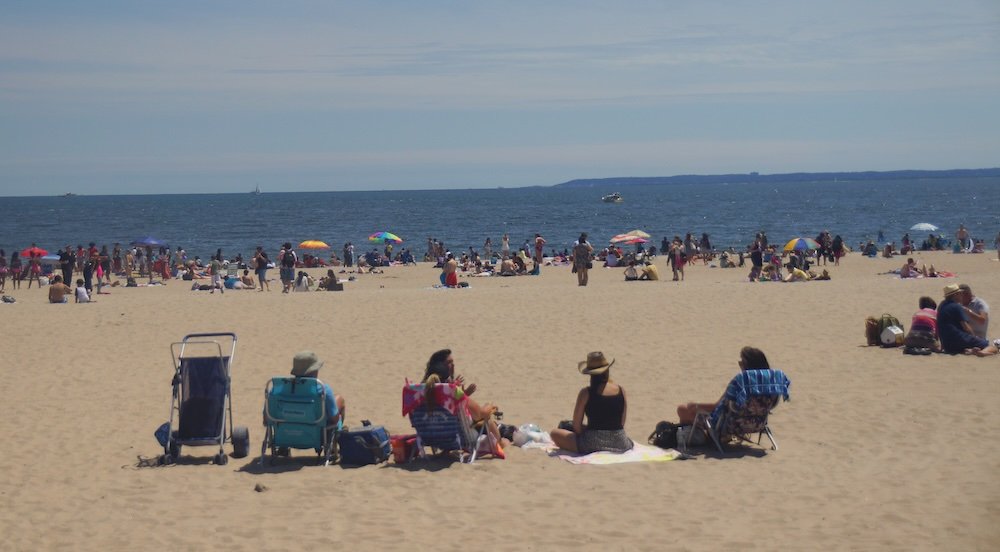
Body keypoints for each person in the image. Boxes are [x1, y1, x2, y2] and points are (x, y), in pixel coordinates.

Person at [422, 349, 507, 450]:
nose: (453, 365)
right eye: (449, 363)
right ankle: (500, 443)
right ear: (441, 367)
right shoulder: (452, 391)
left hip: (431, 438)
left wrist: (464, 394)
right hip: (460, 438)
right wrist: (490, 406)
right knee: (487, 417)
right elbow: (479, 414)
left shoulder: (419, 392)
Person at [549, 352, 633, 454]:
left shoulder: (586, 393)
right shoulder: (621, 390)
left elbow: (577, 427)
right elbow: (621, 423)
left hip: (592, 443)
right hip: (620, 442)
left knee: (554, 433)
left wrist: (588, 431)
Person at [677, 346, 775, 424]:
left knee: (683, 409)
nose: (739, 364)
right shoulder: (772, 384)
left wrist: (695, 405)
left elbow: (716, 406)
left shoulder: (740, 383)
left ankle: (695, 437)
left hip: (729, 425)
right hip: (757, 424)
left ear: (747, 365)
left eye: (741, 362)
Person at [289, 351, 345, 435]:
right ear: (313, 371)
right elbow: (335, 419)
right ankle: (334, 438)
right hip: (317, 434)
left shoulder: (278, 390)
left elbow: (266, 419)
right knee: (339, 399)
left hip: (286, 432)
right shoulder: (323, 389)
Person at [938, 284, 998, 356]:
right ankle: (982, 353)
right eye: (960, 294)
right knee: (992, 347)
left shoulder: (941, 305)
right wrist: (974, 337)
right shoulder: (957, 306)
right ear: (955, 295)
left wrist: (942, 344)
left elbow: (938, 325)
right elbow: (966, 327)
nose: (961, 296)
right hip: (960, 340)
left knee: (966, 346)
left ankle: (971, 351)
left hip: (947, 345)